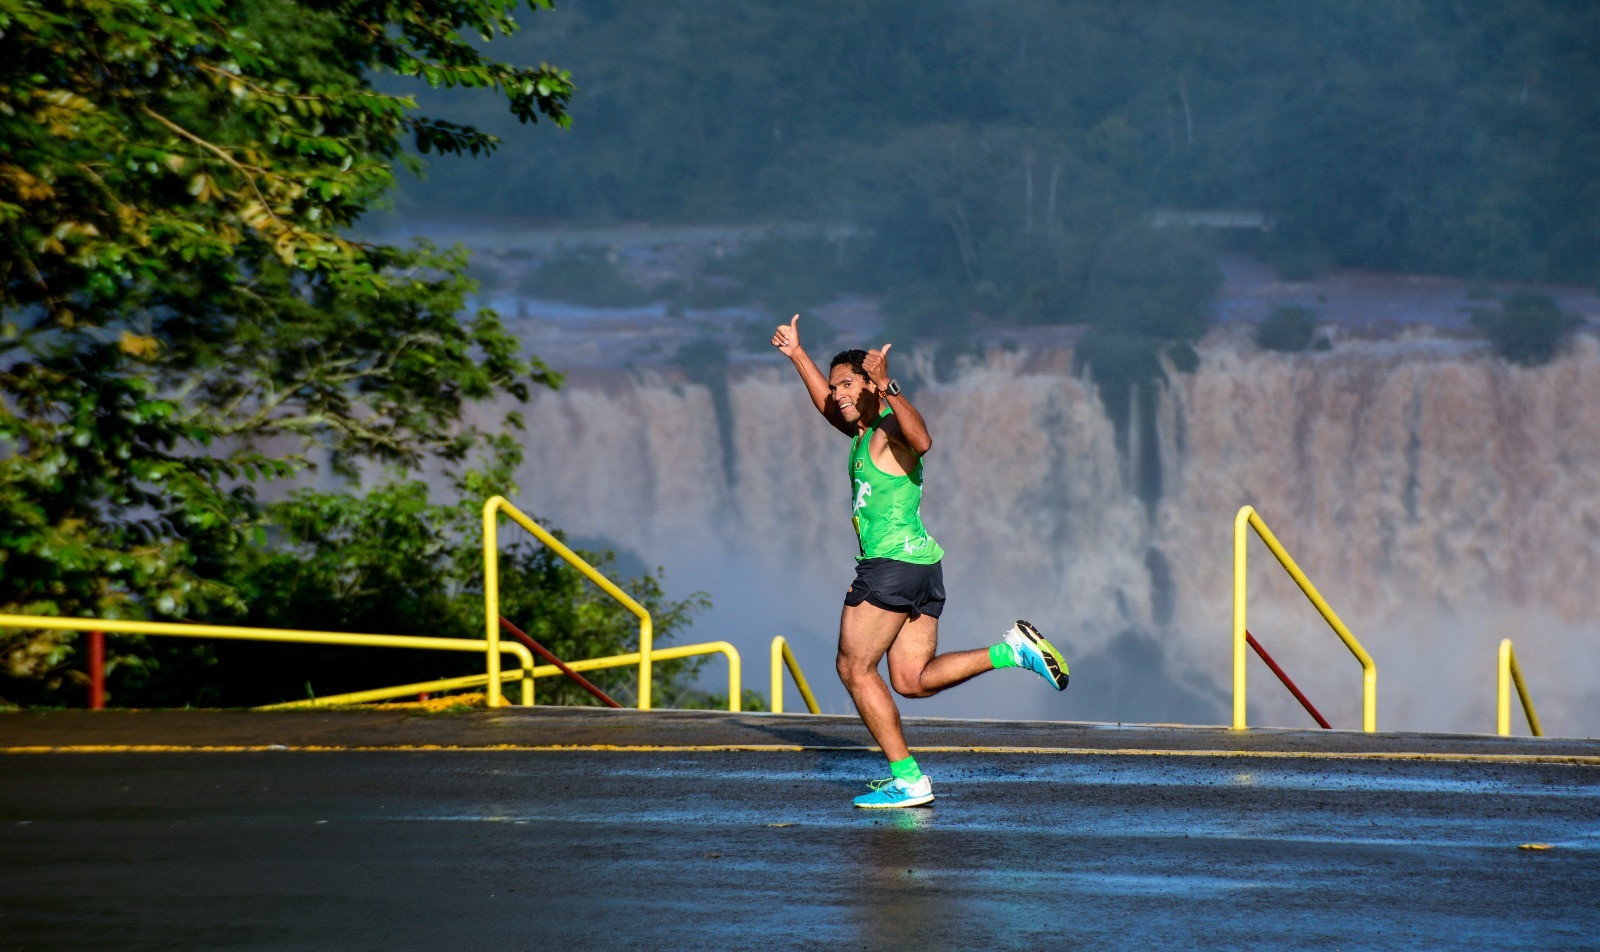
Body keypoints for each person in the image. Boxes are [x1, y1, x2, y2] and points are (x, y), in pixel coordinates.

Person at [771, 314, 1070, 808]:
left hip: (888, 568)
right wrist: (797, 355)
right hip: (921, 568)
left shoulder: (889, 430)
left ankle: (908, 779)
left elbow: (924, 440)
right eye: (834, 385)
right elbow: (830, 408)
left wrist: (889, 385)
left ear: (871, 386)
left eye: (848, 384)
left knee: (854, 668)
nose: (838, 393)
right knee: (910, 680)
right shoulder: (863, 435)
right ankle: (1013, 651)